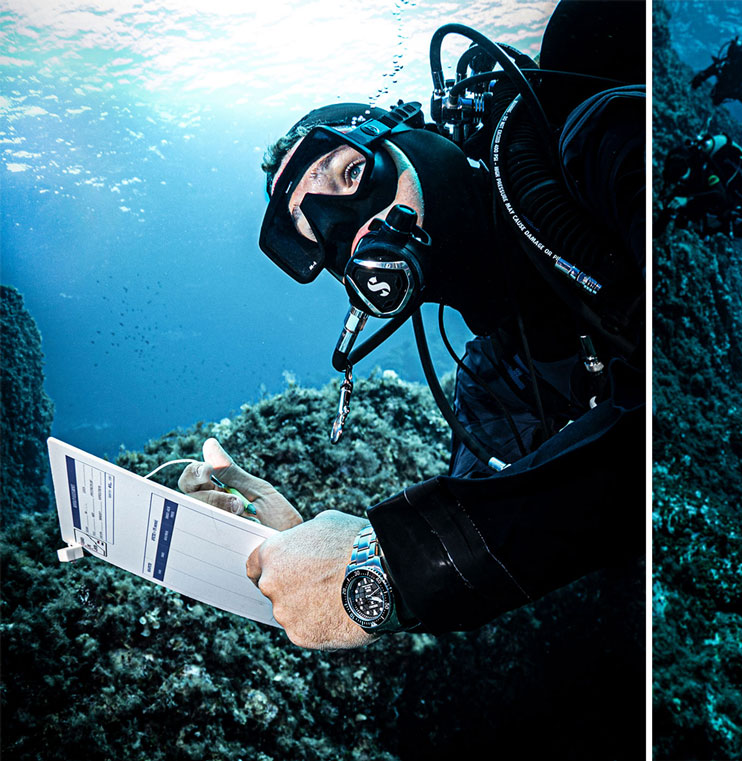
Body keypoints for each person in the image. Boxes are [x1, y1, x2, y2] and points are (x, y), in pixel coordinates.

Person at [176, 0, 645, 649]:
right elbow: (501, 515)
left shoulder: (582, 141)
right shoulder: (491, 383)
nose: (353, 231)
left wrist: (391, 564)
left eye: (349, 173)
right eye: (322, 235)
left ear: (409, 136)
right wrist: (283, 543)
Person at [690, 37, 742, 106]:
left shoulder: (730, 65)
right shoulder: (724, 65)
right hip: (735, 88)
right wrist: (697, 81)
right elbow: (707, 73)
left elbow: (707, 73)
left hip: (737, 89)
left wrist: (697, 81)